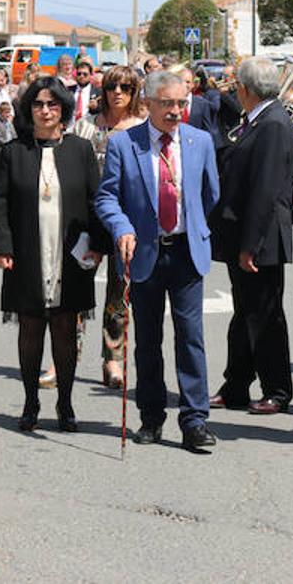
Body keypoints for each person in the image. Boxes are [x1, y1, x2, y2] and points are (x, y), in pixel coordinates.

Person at [95, 70, 221, 453]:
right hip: (144, 251)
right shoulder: (124, 144)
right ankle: (151, 417)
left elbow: (210, 193)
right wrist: (122, 228)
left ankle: (195, 419)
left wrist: (195, 228)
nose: (175, 111)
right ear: (147, 103)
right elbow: (107, 197)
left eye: (181, 103)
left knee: (191, 337)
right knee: (147, 339)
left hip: (185, 251)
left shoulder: (199, 141)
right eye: (167, 103)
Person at [0, 77, 105, 431]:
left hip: (70, 252)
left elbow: (95, 200)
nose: (45, 111)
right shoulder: (13, 151)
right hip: (27, 249)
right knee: (31, 326)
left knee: (65, 327)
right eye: (38, 104)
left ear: (64, 110)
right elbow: (1, 204)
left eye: (52, 104)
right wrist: (1, 246)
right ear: (29, 109)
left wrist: (98, 245)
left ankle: (66, 404)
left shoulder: (80, 150)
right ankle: (30, 401)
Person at [209, 57, 293, 415]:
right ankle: (235, 386)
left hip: (260, 238)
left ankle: (278, 389)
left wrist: (250, 245)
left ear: (245, 89)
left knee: (265, 316)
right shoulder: (258, 119)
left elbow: (265, 189)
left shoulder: (274, 123)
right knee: (245, 313)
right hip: (243, 233)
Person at [88, 65, 146, 387]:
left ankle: (113, 359)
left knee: (119, 292)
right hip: (85, 218)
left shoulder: (141, 129)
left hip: (124, 220)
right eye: (112, 87)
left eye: (125, 87)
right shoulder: (87, 127)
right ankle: (63, 358)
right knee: (77, 292)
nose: (118, 93)